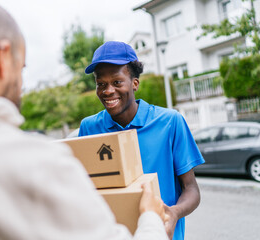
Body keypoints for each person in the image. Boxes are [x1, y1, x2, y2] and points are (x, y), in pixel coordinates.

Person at [0, 1, 169, 239]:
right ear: (2, 57)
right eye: (22, 69)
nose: (20, 86)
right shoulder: (36, 166)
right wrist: (150, 219)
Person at [78, 41, 205, 240]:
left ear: (135, 83)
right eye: (100, 84)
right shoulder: (89, 128)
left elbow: (191, 189)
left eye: (117, 82)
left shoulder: (170, 122)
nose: (107, 90)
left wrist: (174, 213)